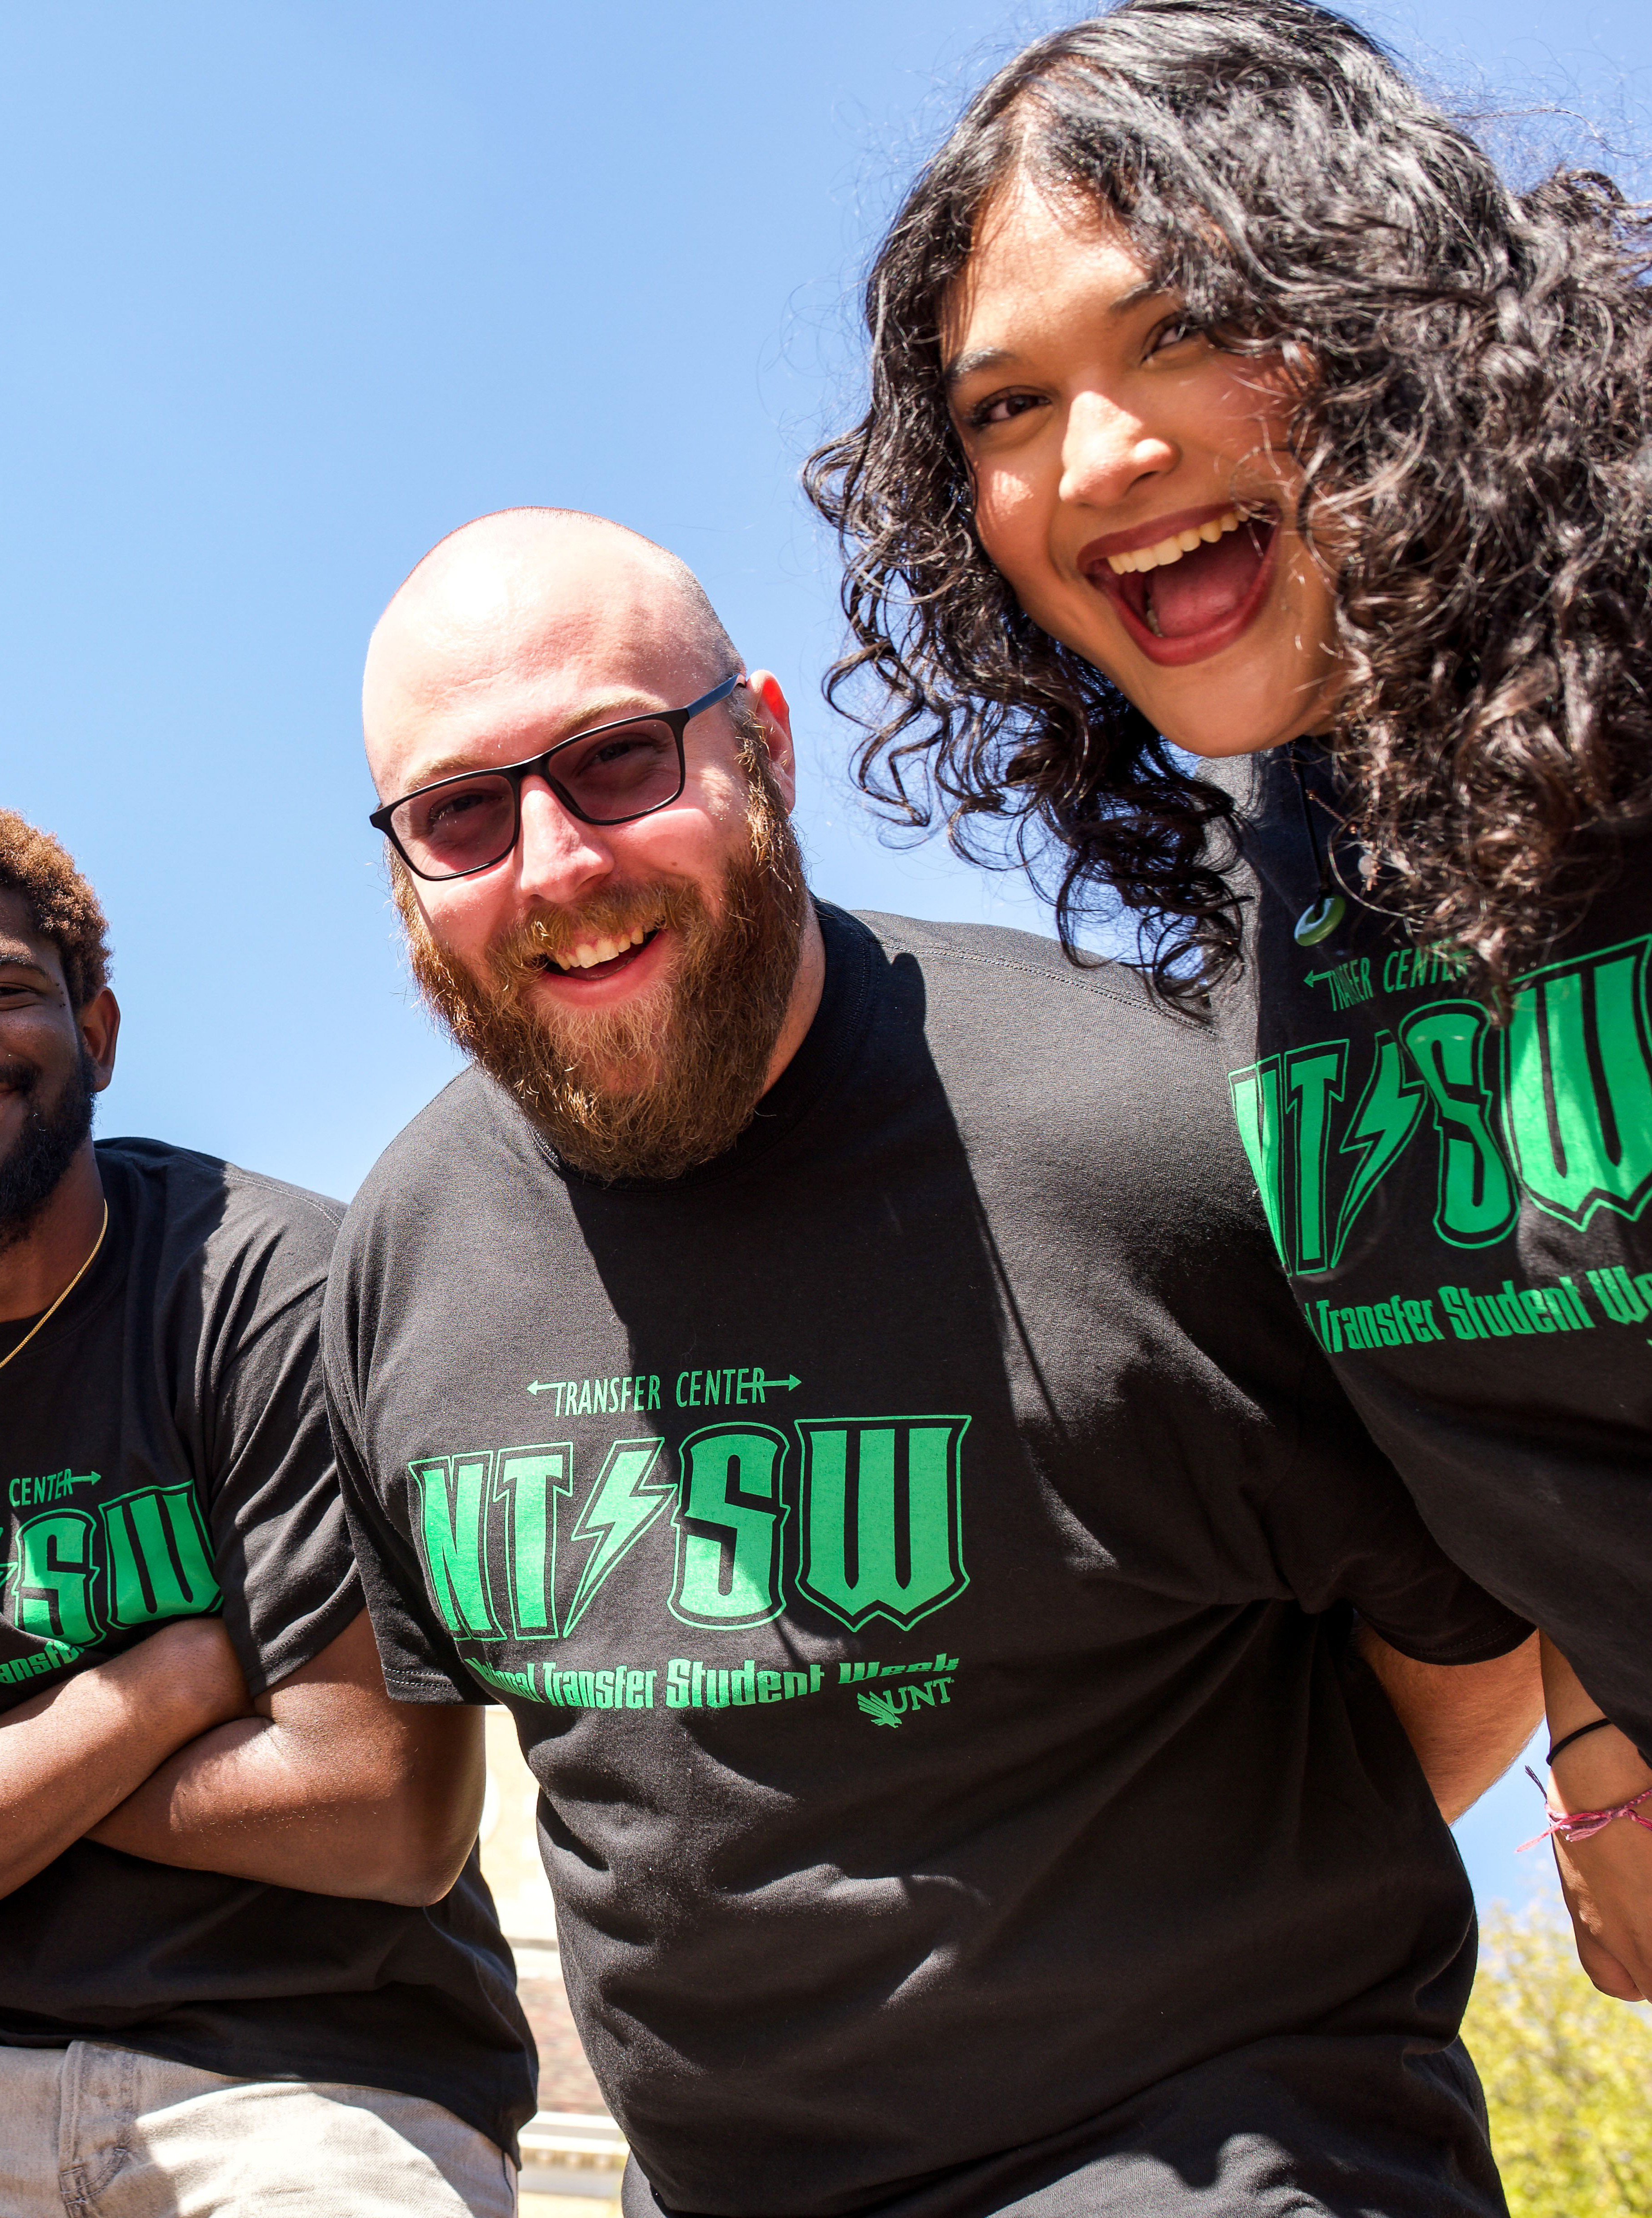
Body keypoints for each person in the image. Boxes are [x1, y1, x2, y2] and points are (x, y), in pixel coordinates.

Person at [334, 508, 1545, 2218]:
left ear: (763, 744)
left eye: (617, 761)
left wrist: (1207, 1937)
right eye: (462, 811)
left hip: (1218, 2161)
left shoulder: (1157, 1133)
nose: (555, 863)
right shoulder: (404, 1256)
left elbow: (1476, 1634)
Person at [803, 0, 1652, 1994]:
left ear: (1397, 304)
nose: (1102, 452)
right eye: (1005, 409)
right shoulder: (1289, 859)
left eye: (1187, 324)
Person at [0, 797, 533, 2218]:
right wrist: (157, 1686)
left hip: (329, 2063)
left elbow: (385, 1812)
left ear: (100, 1035)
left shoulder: (282, 1290)